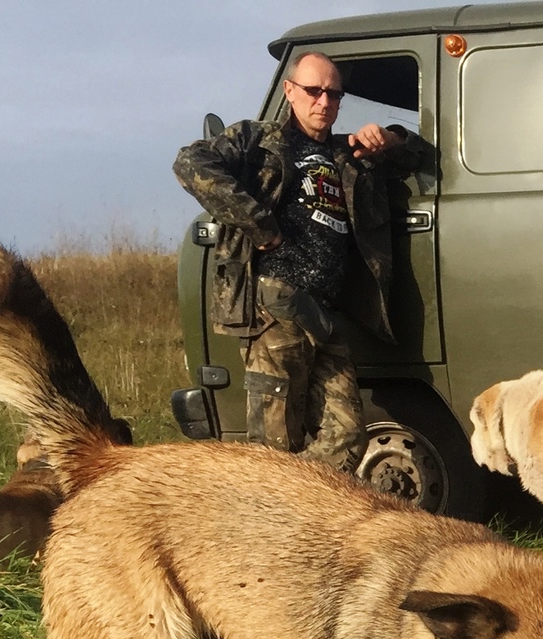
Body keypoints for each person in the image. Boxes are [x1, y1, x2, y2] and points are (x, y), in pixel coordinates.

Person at [173, 52, 433, 468]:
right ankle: (265, 523)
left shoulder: (345, 152)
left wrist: (388, 137)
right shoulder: (257, 141)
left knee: (347, 437)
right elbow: (191, 162)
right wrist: (259, 224)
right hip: (276, 304)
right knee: (275, 442)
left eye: (334, 94)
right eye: (314, 91)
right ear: (290, 91)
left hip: (326, 313)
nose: (324, 102)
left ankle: (302, 507)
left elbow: (417, 156)